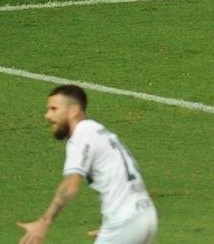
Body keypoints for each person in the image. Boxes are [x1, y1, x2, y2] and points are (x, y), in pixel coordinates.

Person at [18, 85, 157, 244]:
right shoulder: (98, 131)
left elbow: (70, 186)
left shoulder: (81, 135)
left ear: (74, 111)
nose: (47, 115)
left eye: (54, 109)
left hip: (125, 221)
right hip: (145, 216)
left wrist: (44, 222)